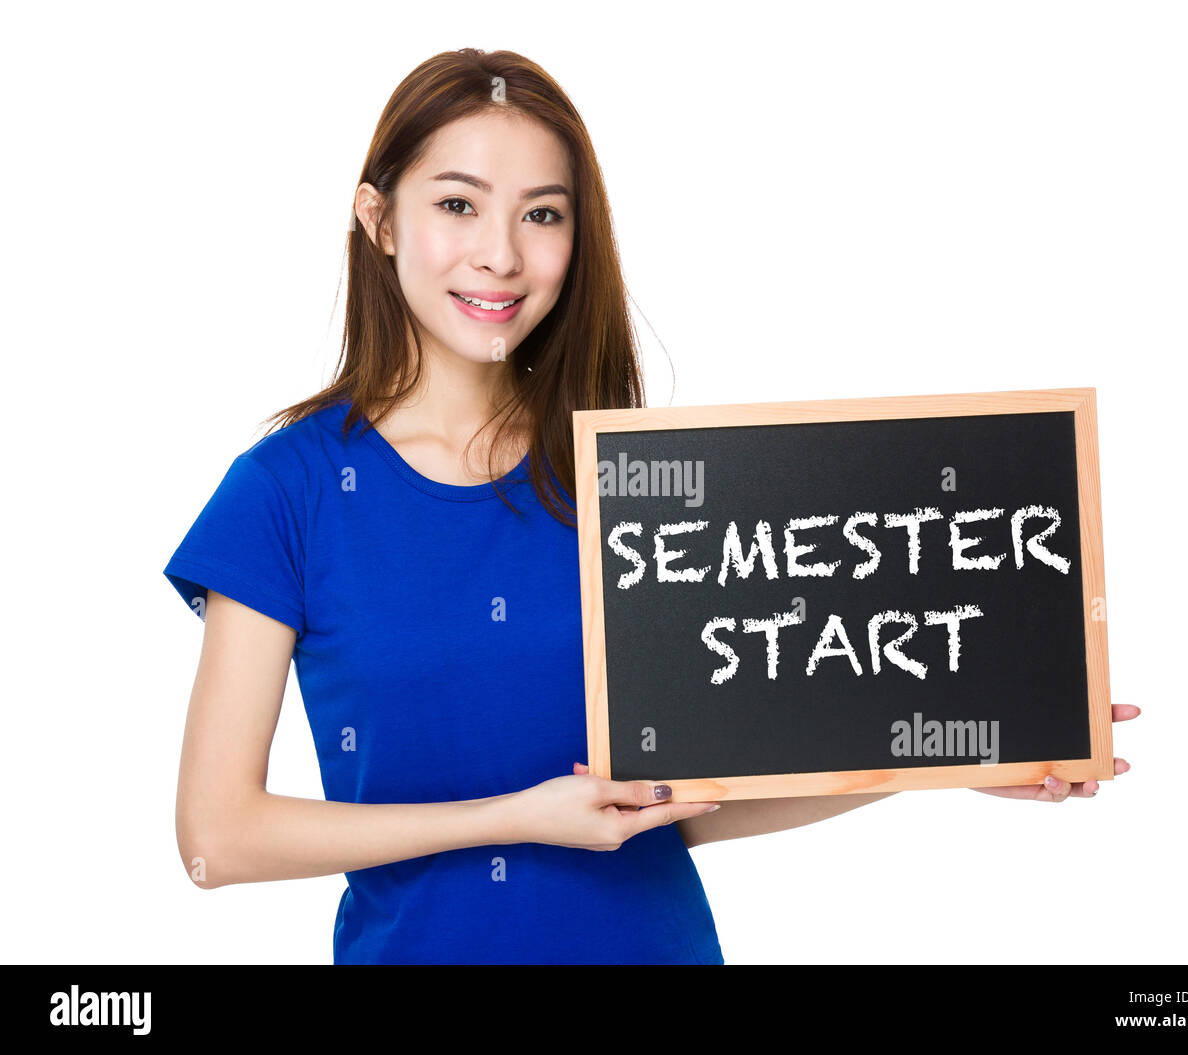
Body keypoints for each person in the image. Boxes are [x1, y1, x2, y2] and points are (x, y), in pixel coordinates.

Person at [164, 48, 1137, 965]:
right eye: (457, 203)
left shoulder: (629, 479)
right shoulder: (287, 490)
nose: (499, 254)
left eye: (542, 214)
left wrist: (955, 752)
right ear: (377, 219)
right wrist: (514, 816)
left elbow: (687, 799)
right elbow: (217, 834)